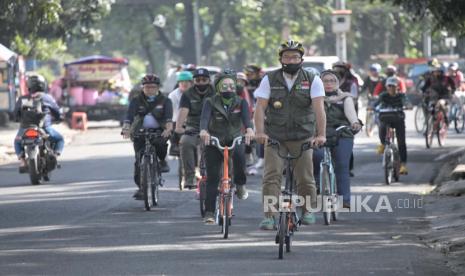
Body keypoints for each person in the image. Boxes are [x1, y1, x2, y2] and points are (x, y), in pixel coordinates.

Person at [254, 39, 327, 230]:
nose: (291, 60)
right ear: (280, 59)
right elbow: (260, 108)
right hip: (275, 137)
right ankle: (270, 216)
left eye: (295, 56)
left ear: (301, 59)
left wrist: (321, 135)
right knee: (271, 176)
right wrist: (260, 132)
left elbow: (319, 109)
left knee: (305, 177)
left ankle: (308, 210)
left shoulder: (312, 79)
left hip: (303, 136)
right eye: (287, 56)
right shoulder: (269, 79)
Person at [199, 71, 255, 223]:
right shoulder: (210, 102)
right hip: (214, 140)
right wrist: (204, 131)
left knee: (239, 156)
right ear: (218, 87)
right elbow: (204, 119)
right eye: (225, 86)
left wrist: (249, 130)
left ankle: (241, 184)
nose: (229, 88)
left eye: (231, 85)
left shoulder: (241, 101)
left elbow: (246, 120)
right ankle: (210, 212)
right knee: (212, 178)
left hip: (235, 139)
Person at [313, 70, 361, 209]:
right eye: (325, 81)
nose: (329, 84)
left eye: (332, 81)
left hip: (342, 133)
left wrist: (354, 123)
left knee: (341, 165)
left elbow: (351, 115)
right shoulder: (314, 98)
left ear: (338, 83)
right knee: (316, 156)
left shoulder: (345, 98)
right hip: (319, 134)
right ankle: (316, 186)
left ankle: (344, 199)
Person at [121, 74, 173, 199]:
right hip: (140, 131)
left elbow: (169, 119)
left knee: (160, 145)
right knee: (139, 160)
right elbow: (129, 117)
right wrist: (126, 129)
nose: (150, 90)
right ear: (142, 88)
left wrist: (168, 129)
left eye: (153, 87)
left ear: (158, 88)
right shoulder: (136, 100)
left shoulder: (165, 100)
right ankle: (142, 187)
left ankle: (162, 161)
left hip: (159, 130)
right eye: (147, 87)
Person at [175, 68, 215, 189]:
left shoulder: (216, 92)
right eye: (198, 80)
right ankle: (190, 177)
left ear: (209, 80)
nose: (201, 82)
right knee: (185, 142)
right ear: (194, 81)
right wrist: (179, 126)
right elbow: (183, 111)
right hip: (194, 126)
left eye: (204, 79)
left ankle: (225, 176)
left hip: (213, 126)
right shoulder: (187, 94)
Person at [14, 74, 64, 171]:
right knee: (60, 139)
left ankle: (22, 161)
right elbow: (57, 112)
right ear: (43, 85)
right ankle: (54, 156)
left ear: (29, 86)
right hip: (44, 128)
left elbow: (15, 114)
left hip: (25, 128)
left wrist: (18, 119)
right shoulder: (47, 98)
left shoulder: (22, 99)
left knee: (17, 142)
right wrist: (59, 118)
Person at [374, 77, 410, 175]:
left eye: (393, 86)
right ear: (386, 87)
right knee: (381, 127)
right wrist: (371, 107)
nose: (391, 88)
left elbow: (406, 102)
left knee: (401, 142)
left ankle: (403, 165)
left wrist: (408, 105)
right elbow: (376, 103)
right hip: (386, 118)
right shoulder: (383, 95)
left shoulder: (401, 95)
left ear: (397, 87)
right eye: (389, 86)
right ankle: (382, 144)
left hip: (398, 119)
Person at [168, 71, 193, 156]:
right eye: (181, 82)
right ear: (178, 83)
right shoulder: (173, 95)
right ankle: (174, 145)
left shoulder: (196, 93)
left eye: (187, 82)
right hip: (178, 122)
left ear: (191, 83)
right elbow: (169, 112)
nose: (184, 84)